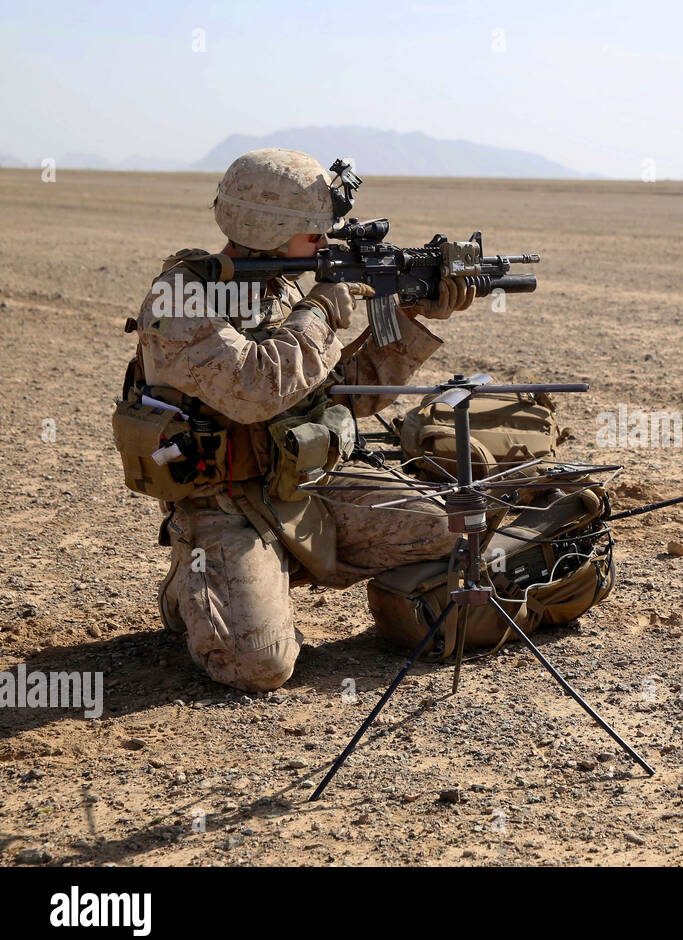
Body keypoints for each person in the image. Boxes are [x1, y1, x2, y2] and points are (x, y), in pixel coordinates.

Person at [117, 148, 475, 691]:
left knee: (448, 525)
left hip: (300, 484)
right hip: (225, 503)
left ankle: (269, 569)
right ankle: (194, 586)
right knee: (260, 666)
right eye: (314, 232)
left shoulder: (281, 288)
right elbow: (254, 391)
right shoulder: (182, 297)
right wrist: (322, 309)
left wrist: (407, 320)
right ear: (270, 227)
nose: (326, 245)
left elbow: (340, 397)